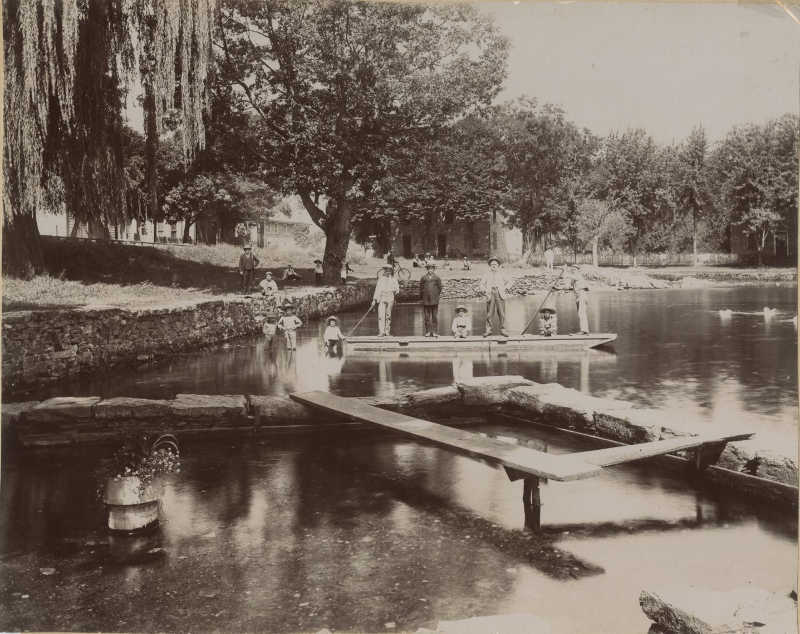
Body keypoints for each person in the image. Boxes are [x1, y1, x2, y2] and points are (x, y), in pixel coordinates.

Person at [479, 257, 511, 337]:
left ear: (498, 265)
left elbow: (510, 282)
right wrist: (484, 290)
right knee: (489, 313)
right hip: (490, 293)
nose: (494, 266)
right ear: (490, 265)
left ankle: (503, 330)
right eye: (492, 264)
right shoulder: (487, 274)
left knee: (502, 313)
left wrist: (505, 288)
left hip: (500, 293)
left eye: (495, 264)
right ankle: (488, 330)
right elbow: (481, 284)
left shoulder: (502, 273)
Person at [372, 265, 400, 336]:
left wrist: (394, 291)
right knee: (381, 315)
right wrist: (374, 300)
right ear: (384, 271)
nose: (388, 272)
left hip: (390, 297)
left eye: (389, 270)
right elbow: (377, 290)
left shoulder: (394, 279)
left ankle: (387, 331)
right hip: (382, 297)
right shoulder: (381, 279)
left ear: (391, 271)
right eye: (386, 270)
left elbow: (397, 290)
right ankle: (381, 332)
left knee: (388, 315)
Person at [419, 262, 442, 337]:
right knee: (426, 317)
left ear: (434, 269)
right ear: (427, 269)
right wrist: (423, 297)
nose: (430, 270)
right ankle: (428, 331)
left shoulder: (437, 278)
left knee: (434, 316)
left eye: (432, 269)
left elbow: (439, 288)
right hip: (426, 300)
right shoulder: (423, 278)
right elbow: (421, 288)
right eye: (429, 269)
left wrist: (435, 295)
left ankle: (435, 332)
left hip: (434, 300)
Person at [571, 266, 590, 334]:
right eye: (572, 269)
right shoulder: (574, 278)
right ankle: (584, 330)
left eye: (574, 269)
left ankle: (584, 330)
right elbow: (570, 285)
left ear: (578, 270)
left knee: (581, 313)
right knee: (581, 314)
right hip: (578, 297)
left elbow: (571, 277)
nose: (573, 270)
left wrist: (564, 271)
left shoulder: (578, 276)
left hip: (582, 295)